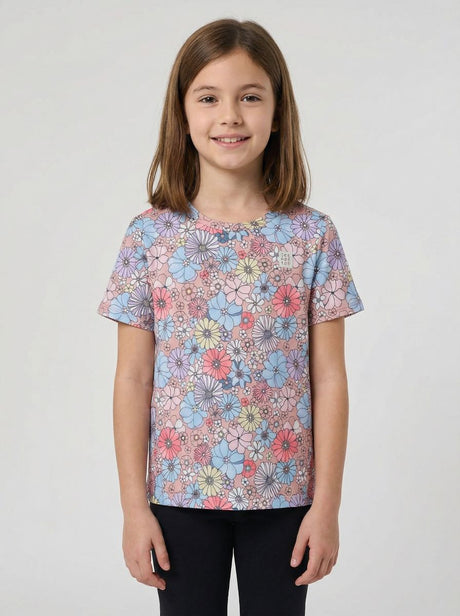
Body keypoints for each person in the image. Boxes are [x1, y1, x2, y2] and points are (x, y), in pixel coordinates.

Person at [96, 17, 365, 616]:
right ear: (182, 112)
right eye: (209, 98)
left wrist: (326, 506)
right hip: (180, 497)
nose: (230, 117)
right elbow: (133, 378)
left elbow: (330, 379)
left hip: (285, 498)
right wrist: (134, 509)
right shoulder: (149, 237)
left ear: (277, 110)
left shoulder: (312, 236)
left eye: (249, 97)